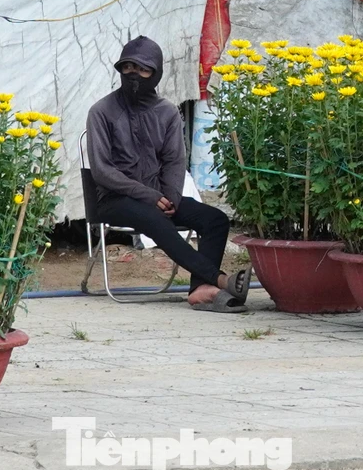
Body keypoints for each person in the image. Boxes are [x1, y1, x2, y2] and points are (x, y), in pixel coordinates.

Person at [86, 36, 252, 313]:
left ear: (156, 74)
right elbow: (102, 171)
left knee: (214, 220)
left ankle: (201, 288)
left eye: (142, 69)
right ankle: (220, 279)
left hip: (160, 198)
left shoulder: (167, 112)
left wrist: (171, 198)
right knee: (152, 216)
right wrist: (150, 196)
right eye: (127, 68)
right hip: (114, 200)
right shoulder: (102, 111)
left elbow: (175, 161)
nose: (133, 74)